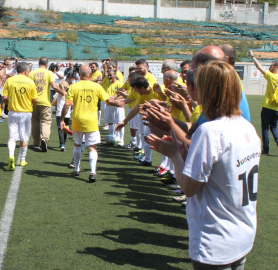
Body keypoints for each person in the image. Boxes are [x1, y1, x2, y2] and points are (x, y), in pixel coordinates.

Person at [146, 61, 260, 269]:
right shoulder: (247, 127)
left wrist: (172, 154)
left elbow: (189, 188)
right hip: (243, 232)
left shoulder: (211, 131)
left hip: (216, 238)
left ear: (199, 89)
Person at [60, 65, 123, 182]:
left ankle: (77, 169)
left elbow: (67, 104)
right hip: (92, 121)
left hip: (78, 120)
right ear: (89, 74)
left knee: (77, 144)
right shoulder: (97, 86)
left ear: (79, 74)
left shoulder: (74, 87)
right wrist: (118, 103)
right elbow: (108, 100)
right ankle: (92, 172)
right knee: (92, 148)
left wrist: (62, 119)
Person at [2, 62, 38, 170]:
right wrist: (31, 105)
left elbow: (4, 97)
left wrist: (10, 103)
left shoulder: (10, 80)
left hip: (13, 112)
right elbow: (35, 99)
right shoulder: (30, 82)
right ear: (26, 71)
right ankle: (22, 160)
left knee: (12, 137)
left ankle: (11, 156)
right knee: (24, 137)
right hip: (26, 112)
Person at [28, 57, 63, 152]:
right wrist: (63, 93)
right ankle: (44, 138)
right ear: (47, 64)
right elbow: (54, 86)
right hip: (45, 101)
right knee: (46, 121)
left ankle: (36, 142)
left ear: (38, 63)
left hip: (34, 101)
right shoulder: (49, 73)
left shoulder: (32, 73)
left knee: (34, 121)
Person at [250, 51, 278, 154]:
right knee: (274, 127)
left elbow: (259, 67)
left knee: (265, 128)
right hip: (276, 108)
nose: (270, 67)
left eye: (271, 65)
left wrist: (253, 56)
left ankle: (265, 149)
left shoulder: (272, 76)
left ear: (276, 67)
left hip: (267, 106)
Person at [53, 81, 70, 151]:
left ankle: (62, 144)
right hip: (67, 114)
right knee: (66, 128)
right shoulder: (68, 94)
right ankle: (64, 143)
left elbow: (53, 103)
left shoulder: (57, 94)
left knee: (60, 129)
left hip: (59, 113)